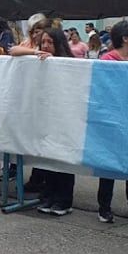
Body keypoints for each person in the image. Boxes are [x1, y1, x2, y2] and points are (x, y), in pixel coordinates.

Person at [95, 21, 128, 223]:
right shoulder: (106, 60)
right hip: (110, 121)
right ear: (125, 38)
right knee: (108, 165)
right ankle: (104, 207)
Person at [34, 28, 78, 216]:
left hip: (65, 118)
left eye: (50, 42)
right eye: (43, 42)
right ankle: (48, 195)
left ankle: (64, 200)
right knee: (47, 159)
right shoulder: (38, 62)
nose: (45, 46)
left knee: (63, 160)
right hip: (46, 118)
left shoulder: (71, 64)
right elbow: (14, 52)